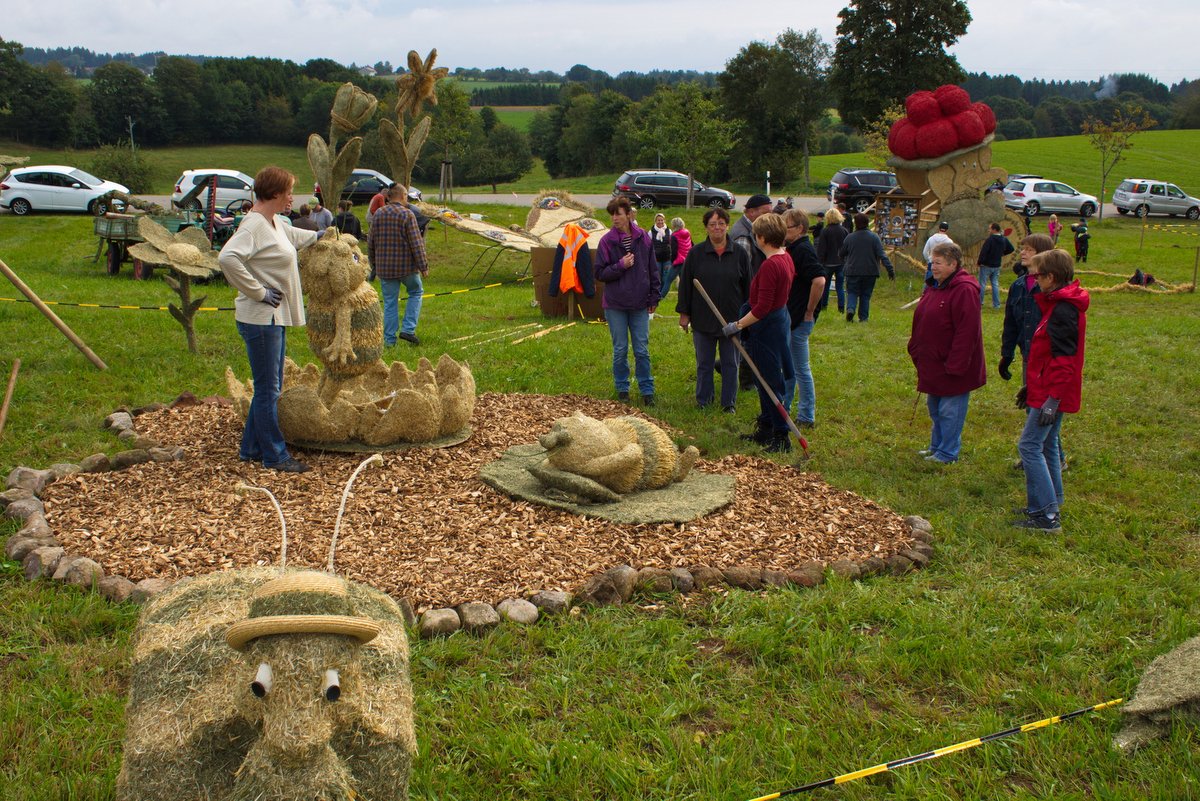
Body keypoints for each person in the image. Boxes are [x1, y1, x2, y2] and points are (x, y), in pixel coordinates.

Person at [218, 166, 318, 473]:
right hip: (260, 318)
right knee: (268, 389)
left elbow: (292, 237)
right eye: (288, 191)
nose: (291, 197)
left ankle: (250, 449)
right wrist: (258, 292)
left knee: (269, 386)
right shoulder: (252, 226)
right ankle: (275, 455)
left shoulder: (274, 221)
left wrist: (321, 236)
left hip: (272, 319)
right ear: (274, 193)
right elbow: (227, 258)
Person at [1014, 248, 1089, 533]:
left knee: (1029, 446)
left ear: (1052, 277)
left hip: (1052, 393)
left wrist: (1052, 399)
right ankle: (1052, 502)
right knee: (1046, 445)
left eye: (1038, 276)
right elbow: (1047, 358)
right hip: (1046, 390)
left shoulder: (1063, 310)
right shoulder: (1058, 304)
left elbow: (1064, 360)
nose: (1034, 281)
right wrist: (1030, 386)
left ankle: (1046, 516)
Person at [907, 241, 986, 464]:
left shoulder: (964, 290)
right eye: (932, 262)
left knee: (950, 410)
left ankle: (948, 452)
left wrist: (957, 364)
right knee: (935, 407)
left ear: (953, 264)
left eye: (939, 263)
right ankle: (936, 446)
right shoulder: (935, 286)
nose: (933, 266)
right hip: (934, 361)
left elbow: (967, 331)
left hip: (953, 364)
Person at [723, 213, 794, 453]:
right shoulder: (785, 257)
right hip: (777, 322)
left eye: (756, 235)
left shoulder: (772, 265)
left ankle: (781, 436)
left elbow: (762, 308)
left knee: (769, 382)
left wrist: (738, 325)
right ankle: (765, 428)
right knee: (762, 379)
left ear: (762, 238)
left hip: (767, 329)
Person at [676, 206, 750, 412]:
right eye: (712, 224)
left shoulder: (740, 254)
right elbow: (685, 287)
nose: (717, 228)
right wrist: (684, 314)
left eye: (721, 224)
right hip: (703, 319)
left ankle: (729, 403)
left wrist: (747, 318)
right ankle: (703, 400)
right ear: (706, 228)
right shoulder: (696, 253)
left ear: (727, 226)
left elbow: (748, 287)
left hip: (732, 319)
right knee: (704, 364)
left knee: (730, 364)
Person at [595, 196, 659, 405]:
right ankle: (622, 388)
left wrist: (653, 296)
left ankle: (647, 390)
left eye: (618, 214)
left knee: (642, 349)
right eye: (612, 214)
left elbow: (652, 269)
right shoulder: (606, 241)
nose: (615, 218)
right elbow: (600, 273)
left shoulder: (643, 238)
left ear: (629, 214)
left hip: (640, 303)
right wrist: (620, 265)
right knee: (620, 349)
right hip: (615, 304)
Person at [781, 209, 826, 428]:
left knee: (800, 369)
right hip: (792, 317)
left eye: (786, 227)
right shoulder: (792, 248)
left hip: (800, 319)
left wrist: (810, 310)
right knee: (789, 367)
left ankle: (807, 416)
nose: (783, 231)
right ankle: (784, 408)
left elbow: (819, 280)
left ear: (799, 228)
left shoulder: (804, 250)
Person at [368, 183, 428, 346]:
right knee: (416, 292)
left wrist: (374, 264)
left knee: (389, 303)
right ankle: (408, 330)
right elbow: (416, 243)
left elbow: (371, 241)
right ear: (402, 196)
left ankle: (389, 340)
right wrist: (423, 266)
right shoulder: (407, 215)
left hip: (385, 268)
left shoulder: (379, 214)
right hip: (406, 267)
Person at [840, 212, 895, 322]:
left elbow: (841, 253)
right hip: (870, 271)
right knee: (865, 295)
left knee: (852, 292)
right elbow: (882, 254)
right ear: (867, 223)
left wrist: (845, 262)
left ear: (855, 223)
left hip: (852, 270)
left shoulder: (850, 237)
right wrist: (890, 269)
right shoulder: (874, 238)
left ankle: (850, 309)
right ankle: (863, 318)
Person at [730, 194, 772, 276]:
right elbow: (740, 273)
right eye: (765, 213)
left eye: (771, 213)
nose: (770, 217)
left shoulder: (754, 228)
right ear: (752, 212)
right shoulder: (743, 238)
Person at [816, 207, 848, 313]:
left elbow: (821, 249)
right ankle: (841, 307)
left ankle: (824, 305)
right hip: (841, 262)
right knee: (840, 286)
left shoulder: (825, 231)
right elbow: (846, 247)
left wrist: (820, 262)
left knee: (825, 286)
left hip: (827, 263)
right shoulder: (844, 231)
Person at [977, 221, 1014, 309]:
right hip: (997, 265)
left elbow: (984, 252)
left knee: (982, 284)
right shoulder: (1003, 239)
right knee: (995, 284)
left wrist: (979, 261)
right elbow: (1011, 249)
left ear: (994, 229)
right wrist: (1002, 253)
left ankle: (979, 302)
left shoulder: (990, 240)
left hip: (986, 265)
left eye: (990, 228)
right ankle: (996, 304)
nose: (989, 230)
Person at [663, 217, 691, 300]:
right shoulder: (687, 232)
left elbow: (674, 251)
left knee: (668, 280)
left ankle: (661, 297)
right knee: (683, 281)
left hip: (678, 261)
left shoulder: (674, 236)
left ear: (674, 225)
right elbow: (691, 244)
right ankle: (684, 297)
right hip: (686, 260)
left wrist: (672, 262)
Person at [922, 220, 953, 286]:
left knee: (928, 285)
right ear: (947, 230)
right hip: (943, 265)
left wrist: (929, 260)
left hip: (932, 263)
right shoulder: (949, 241)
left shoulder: (931, 239)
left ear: (939, 228)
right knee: (939, 286)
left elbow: (925, 252)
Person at [650, 213, 672, 294]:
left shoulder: (669, 231)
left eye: (661, 220)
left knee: (665, 277)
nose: (660, 222)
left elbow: (672, 243)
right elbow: (649, 245)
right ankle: (657, 292)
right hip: (656, 258)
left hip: (667, 258)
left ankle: (662, 294)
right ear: (655, 221)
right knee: (657, 276)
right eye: (658, 220)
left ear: (664, 220)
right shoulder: (651, 232)